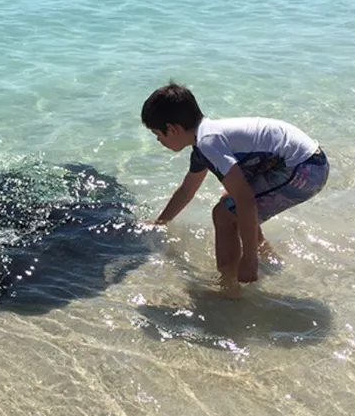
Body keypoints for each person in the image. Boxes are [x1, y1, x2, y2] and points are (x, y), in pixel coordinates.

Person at [140, 81, 330, 285]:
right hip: (306, 161)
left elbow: (246, 201)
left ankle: (229, 285)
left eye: (157, 135)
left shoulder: (208, 143)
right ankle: (269, 259)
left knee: (223, 214)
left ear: (172, 129)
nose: (159, 141)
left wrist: (249, 259)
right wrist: (160, 223)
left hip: (305, 169)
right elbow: (188, 190)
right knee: (230, 204)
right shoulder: (206, 140)